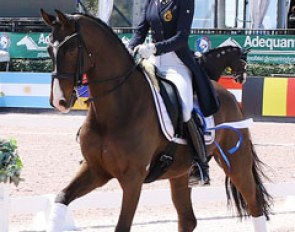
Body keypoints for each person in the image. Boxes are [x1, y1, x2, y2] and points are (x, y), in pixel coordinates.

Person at [128, 0, 220, 186]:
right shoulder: (151, 2)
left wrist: (155, 47)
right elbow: (140, 32)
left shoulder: (184, 1)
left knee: (185, 109)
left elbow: (181, 38)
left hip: (177, 63)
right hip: (153, 61)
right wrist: (128, 48)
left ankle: (200, 164)